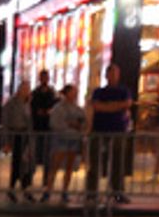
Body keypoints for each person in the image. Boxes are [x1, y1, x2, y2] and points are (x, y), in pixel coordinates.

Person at [86, 64, 134, 205]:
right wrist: (116, 106)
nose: (114, 76)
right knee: (95, 162)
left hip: (118, 129)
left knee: (118, 162)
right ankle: (91, 192)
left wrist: (107, 107)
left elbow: (127, 104)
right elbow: (96, 106)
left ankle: (118, 191)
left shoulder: (124, 90)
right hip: (99, 129)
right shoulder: (99, 91)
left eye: (116, 73)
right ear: (106, 75)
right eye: (111, 73)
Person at [43, 83, 86, 203]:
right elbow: (55, 123)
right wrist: (70, 124)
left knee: (69, 167)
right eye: (72, 92)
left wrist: (79, 126)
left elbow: (83, 122)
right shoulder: (58, 108)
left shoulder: (78, 109)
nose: (74, 95)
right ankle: (48, 190)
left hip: (73, 139)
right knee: (55, 165)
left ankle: (65, 190)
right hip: (61, 139)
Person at [0, 80, 34, 202]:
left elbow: (29, 121)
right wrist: (6, 140)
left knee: (26, 163)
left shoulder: (28, 103)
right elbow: (5, 121)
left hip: (26, 135)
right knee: (17, 163)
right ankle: (13, 188)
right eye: (24, 89)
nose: (26, 91)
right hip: (16, 134)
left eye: (28, 89)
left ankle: (25, 188)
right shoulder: (11, 104)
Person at [30, 69, 58, 190]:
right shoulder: (35, 93)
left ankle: (46, 179)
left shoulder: (52, 93)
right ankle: (29, 177)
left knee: (48, 155)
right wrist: (38, 112)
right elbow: (32, 107)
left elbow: (55, 106)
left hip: (48, 127)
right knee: (34, 154)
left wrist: (48, 112)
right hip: (37, 127)